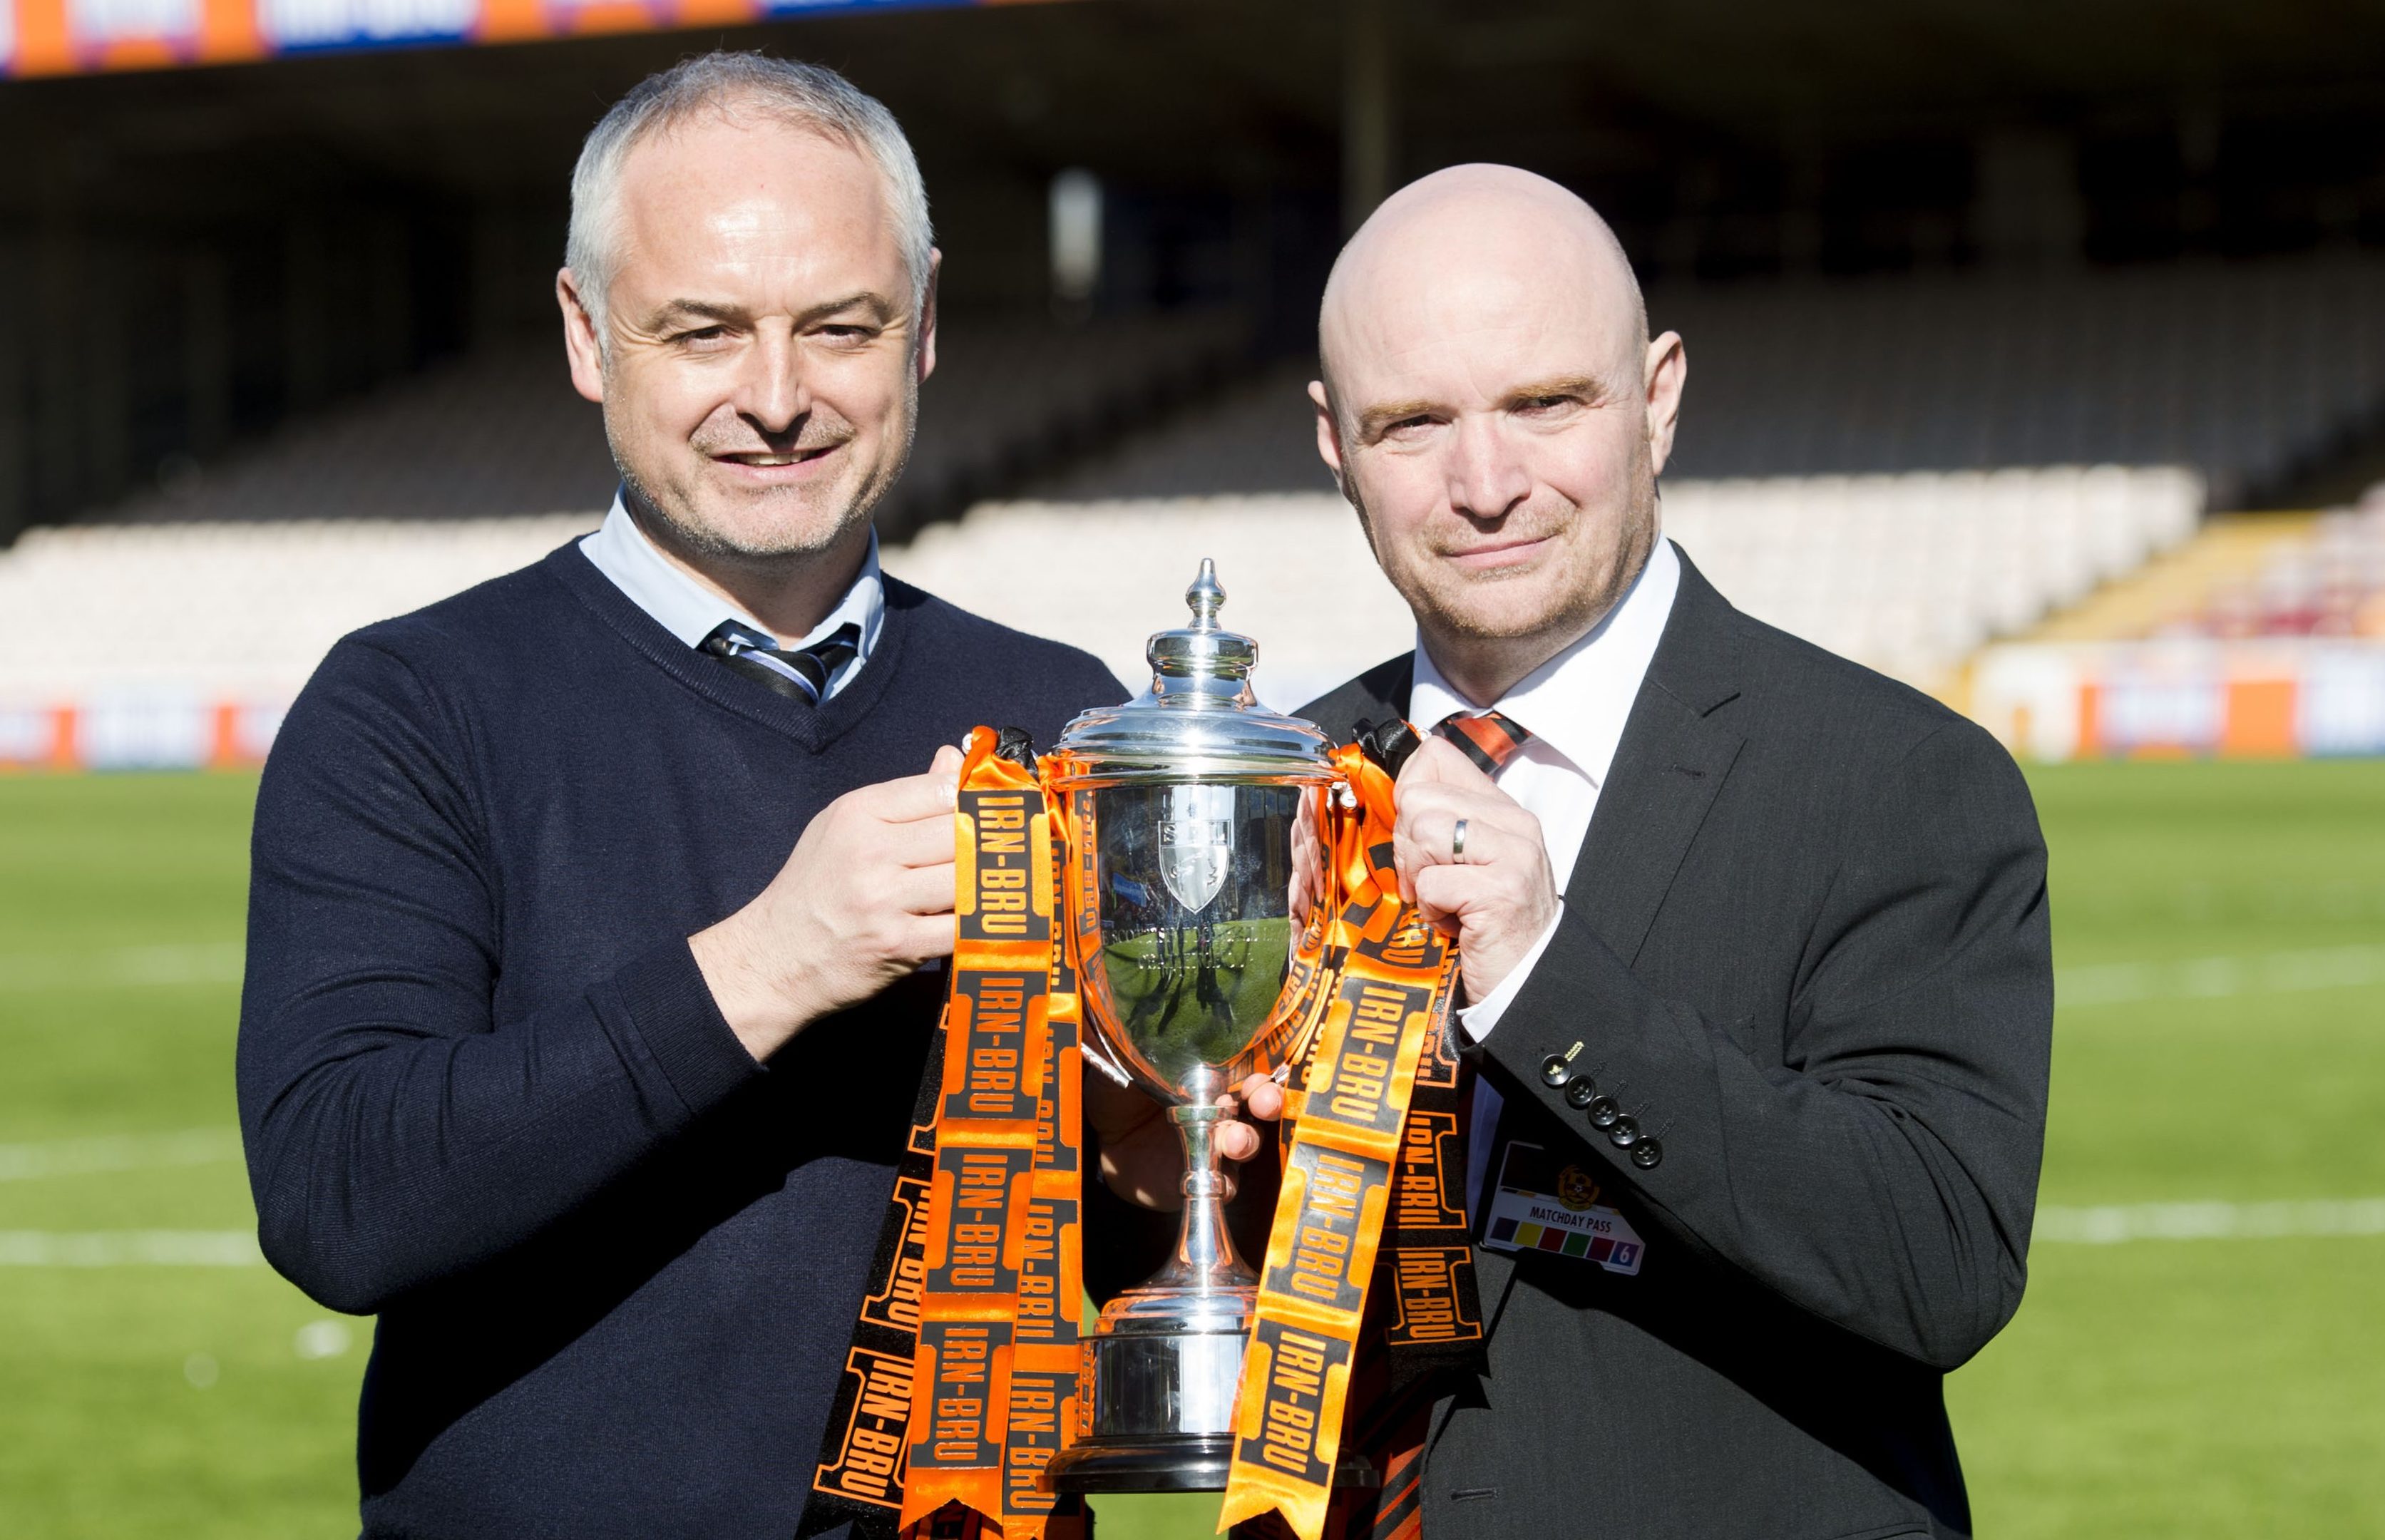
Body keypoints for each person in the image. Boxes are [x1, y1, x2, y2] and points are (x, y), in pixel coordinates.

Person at [235, 54, 1127, 1538]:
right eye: (702, 331)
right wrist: (774, 962)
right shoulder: (411, 705)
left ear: (920, 329)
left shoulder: (1058, 715)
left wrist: (1168, 1152)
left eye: (838, 327)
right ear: (589, 336)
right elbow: (339, 1201)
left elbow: (1135, 1225)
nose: (775, 398)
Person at [1237, 165, 2053, 1539]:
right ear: (1333, 445)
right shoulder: (1279, 784)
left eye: (1547, 404)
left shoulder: (1900, 780)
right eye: (1413, 423)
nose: (1484, 483)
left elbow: (1939, 1268)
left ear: (1659, 392)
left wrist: (1538, 975)